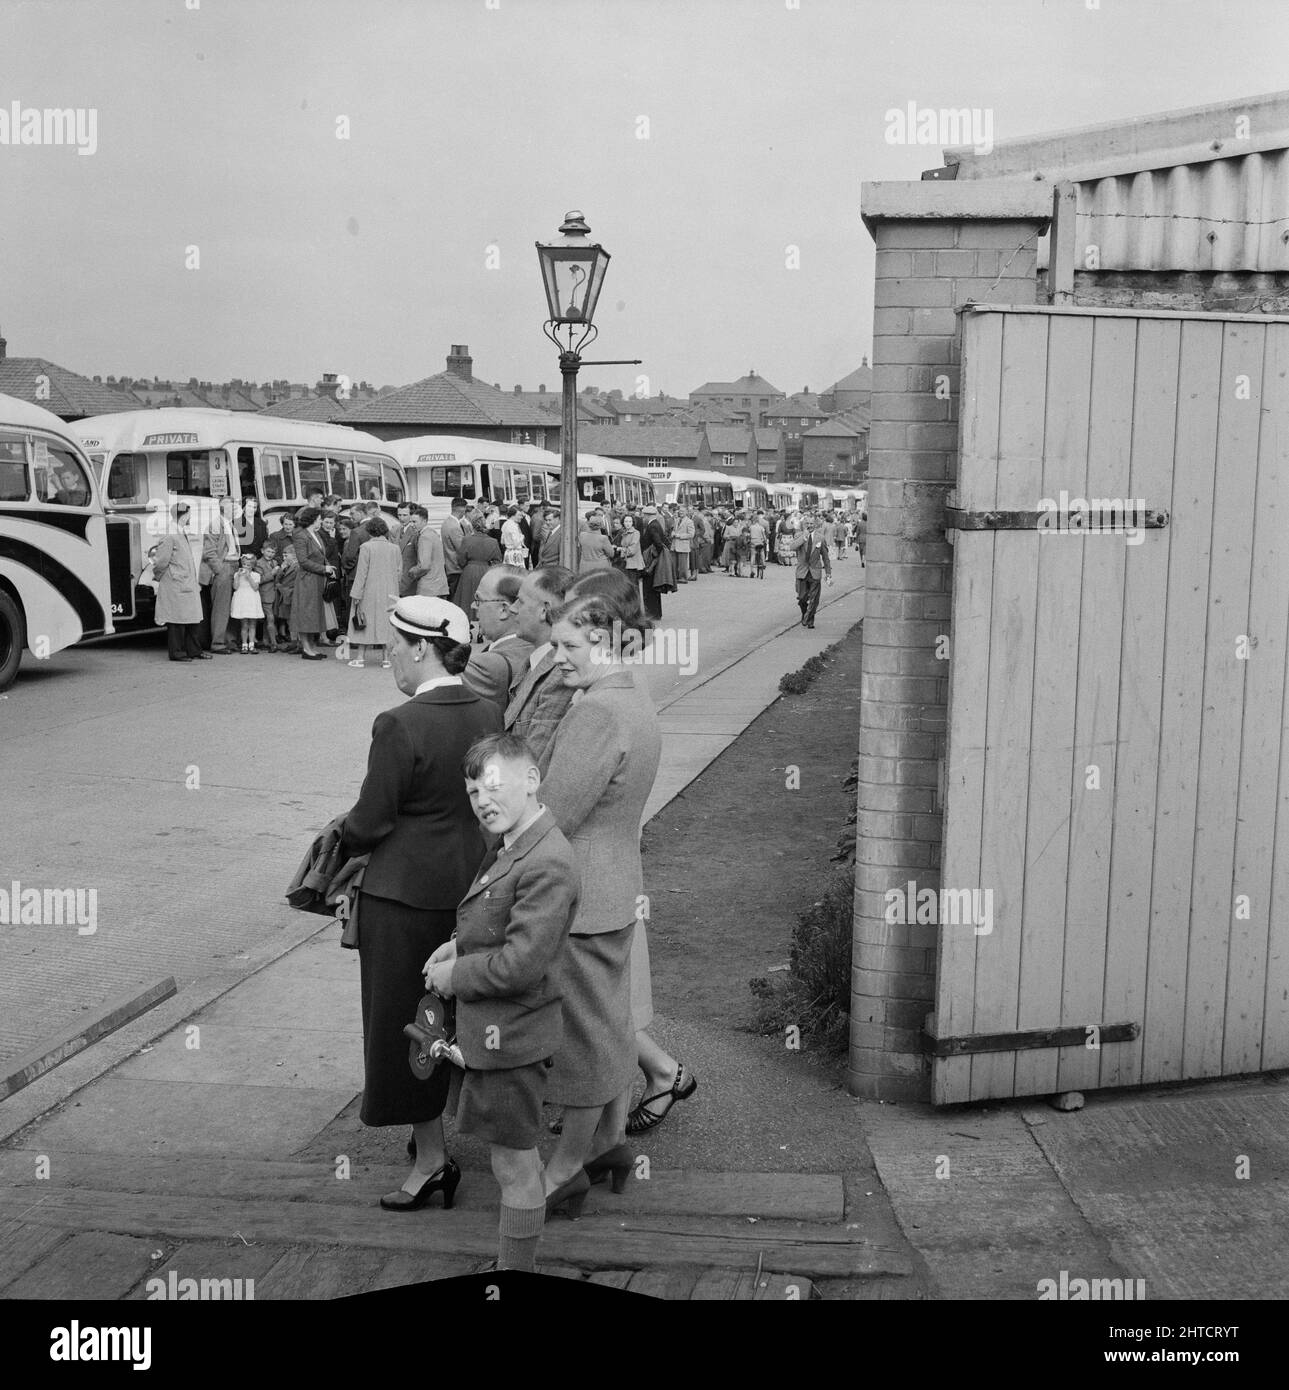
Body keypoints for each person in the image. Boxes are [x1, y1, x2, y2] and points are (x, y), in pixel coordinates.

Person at [339, 596, 502, 1211]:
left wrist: (342, 836)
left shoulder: (398, 723)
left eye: (393, 648)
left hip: (401, 899)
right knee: (454, 1018)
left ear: (418, 648)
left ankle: (431, 1158)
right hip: (469, 892)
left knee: (405, 1025)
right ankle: (470, 1141)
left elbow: (371, 821)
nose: (390, 661)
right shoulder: (488, 710)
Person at [423, 732, 580, 1266]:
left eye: (492, 786)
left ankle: (516, 1269)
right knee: (510, 1161)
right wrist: (458, 944)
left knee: (515, 1167)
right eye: (472, 793)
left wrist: (454, 975)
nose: (482, 801)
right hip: (496, 1032)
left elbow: (521, 965)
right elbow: (498, 927)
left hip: (512, 1039)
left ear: (532, 780)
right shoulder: (514, 844)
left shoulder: (547, 862)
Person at [535, 593, 663, 1214]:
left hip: (579, 895)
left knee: (580, 1042)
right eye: (556, 645)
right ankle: (609, 1142)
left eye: (570, 647)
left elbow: (551, 816)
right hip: (615, 887)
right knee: (609, 1025)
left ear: (610, 643)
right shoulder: (631, 696)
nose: (557, 658)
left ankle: (566, 1167)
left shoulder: (596, 713)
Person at [504, 566, 578, 774]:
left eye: (521, 601)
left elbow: (532, 762)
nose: (513, 608)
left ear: (544, 610)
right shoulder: (535, 662)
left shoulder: (560, 674)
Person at [463, 567, 532, 707]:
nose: (473, 606)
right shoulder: (532, 647)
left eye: (479, 600)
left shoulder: (488, 665)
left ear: (504, 610)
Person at [152, 502, 210, 663]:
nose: (190, 517)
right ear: (183, 515)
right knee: (176, 620)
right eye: (189, 514)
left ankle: (194, 650)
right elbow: (161, 561)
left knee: (192, 618)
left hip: (185, 582)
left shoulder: (179, 532)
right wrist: (161, 577)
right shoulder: (170, 535)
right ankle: (177, 652)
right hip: (176, 582)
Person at [346, 517, 403, 670]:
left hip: (369, 591)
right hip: (390, 591)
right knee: (386, 623)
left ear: (370, 531)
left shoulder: (366, 547)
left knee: (364, 623)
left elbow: (362, 573)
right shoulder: (395, 548)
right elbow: (399, 573)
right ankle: (386, 659)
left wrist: (356, 594)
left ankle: (360, 658)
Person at [291, 507, 334, 659]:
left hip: (316, 579)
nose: (321, 520)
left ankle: (311, 647)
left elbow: (321, 555)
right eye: (319, 518)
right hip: (307, 580)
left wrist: (329, 567)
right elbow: (303, 561)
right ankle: (306, 649)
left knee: (314, 614)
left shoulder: (315, 534)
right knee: (306, 614)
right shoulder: (300, 535)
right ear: (313, 519)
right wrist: (324, 568)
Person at [200, 510, 238, 653]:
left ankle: (230, 640)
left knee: (233, 606)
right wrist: (219, 569)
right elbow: (209, 551)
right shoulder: (215, 524)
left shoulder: (230, 524)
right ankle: (218, 643)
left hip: (234, 565)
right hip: (224, 567)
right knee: (221, 607)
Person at [791, 512, 833, 629]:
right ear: (804, 525)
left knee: (814, 599)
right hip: (802, 571)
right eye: (807, 523)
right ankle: (805, 613)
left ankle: (810, 620)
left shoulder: (820, 538)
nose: (809, 525)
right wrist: (803, 538)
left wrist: (828, 574)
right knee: (802, 598)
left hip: (815, 571)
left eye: (811, 523)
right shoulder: (799, 535)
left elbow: (825, 557)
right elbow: (792, 547)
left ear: (816, 525)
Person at [454, 522, 502, 620]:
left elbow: (461, 559)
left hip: (469, 571)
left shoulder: (467, 539)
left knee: (466, 599)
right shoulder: (493, 541)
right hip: (486, 572)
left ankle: (468, 625)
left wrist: (466, 565)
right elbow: (498, 561)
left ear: (473, 527)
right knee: (483, 599)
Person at [637, 504, 672, 626]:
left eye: (644, 515)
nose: (643, 517)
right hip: (654, 560)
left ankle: (651, 613)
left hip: (651, 561)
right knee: (653, 588)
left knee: (649, 587)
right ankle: (655, 613)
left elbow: (658, 543)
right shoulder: (656, 524)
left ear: (647, 515)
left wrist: (652, 555)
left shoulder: (652, 526)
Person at [230, 552, 264, 653]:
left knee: (252, 624)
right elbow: (235, 587)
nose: (246, 567)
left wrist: (249, 577)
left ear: (253, 566)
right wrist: (238, 577)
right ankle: (244, 645)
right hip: (242, 599)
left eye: (248, 565)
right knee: (244, 625)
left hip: (252, 599)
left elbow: (255, 587)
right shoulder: (237, 574)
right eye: (244, 564)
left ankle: (252, 645)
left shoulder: (256, 575)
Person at [441, 498, 470, 602]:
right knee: (455, 598)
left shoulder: (447, 522)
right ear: (462, 510)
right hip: (456, 567)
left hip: (450, 565)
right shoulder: (454, 526)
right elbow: (462, 548)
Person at [255, 544, 280, 652]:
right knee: (270, 618)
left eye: (273, 552)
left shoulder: (275, 563)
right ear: (262, 551)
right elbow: (258, 580)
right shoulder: (258, 563)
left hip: (274, 594)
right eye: (268, 551)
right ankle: (274, 644)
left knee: (269, 619)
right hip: (264, 594)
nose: (270, 554)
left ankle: (266, 641)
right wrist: (272, 573)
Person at [400, 505, 428, 596]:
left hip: (411, 581)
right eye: (399, 515)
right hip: (401, 580)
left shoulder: (419, 534)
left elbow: (422, 562)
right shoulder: (396, 530)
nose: (401, 518)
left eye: (404, 515)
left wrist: (413, 572)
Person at [618, 514, 644, 603]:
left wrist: (621, 550)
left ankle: (636, 610)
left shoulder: (636, 533)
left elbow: (632, 550)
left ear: (633, 523)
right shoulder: (624, 533)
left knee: (633, 588)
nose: (628, 523)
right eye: (626, 521)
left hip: (633, 564)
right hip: (626, 563)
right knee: (628, 587)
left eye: (630, 521)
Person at [672, 507, 694, 583]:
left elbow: (691, 534)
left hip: (683, 545)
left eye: (683, 511)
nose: (681, 512)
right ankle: (677, 577)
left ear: (686, 512)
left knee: (683, 564)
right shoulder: (676, 520)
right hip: (675, 545)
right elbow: (674, 530)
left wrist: (679, 535)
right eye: (680, 511)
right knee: (675, 563)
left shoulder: (689, 521)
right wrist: (673, 533)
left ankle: (683, 578)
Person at [748, 511, 769, 580]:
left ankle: (752, 570)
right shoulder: (761, 528)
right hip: (760, 542)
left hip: (753, 542)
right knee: (762, 552)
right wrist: (765, 541)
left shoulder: (751, 527)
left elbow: (749, 535)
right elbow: (764, 536)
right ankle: (763, 563)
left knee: (753, 555)